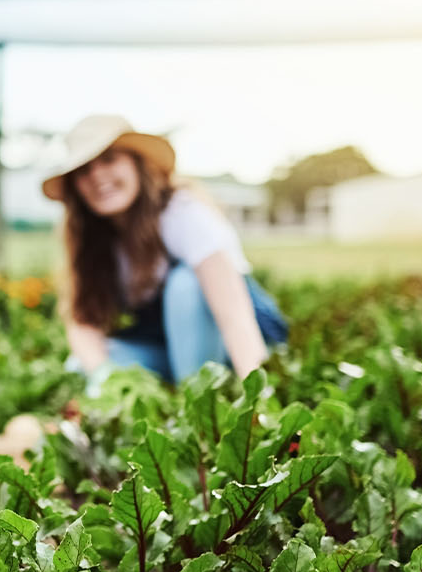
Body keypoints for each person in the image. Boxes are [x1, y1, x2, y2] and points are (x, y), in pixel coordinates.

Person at [43, 115, 287, 392]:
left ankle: (196, 402)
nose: (97, 175)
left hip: (239, 346)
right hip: (173, 348)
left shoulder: (182, 212)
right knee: (82, 364)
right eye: (84, 169)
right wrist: (103, 379)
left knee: (185, 284)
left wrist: (258, 394)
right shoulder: (94, 238)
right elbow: (83, 322)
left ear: (137, 163)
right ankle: (172, 392)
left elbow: (236, 319)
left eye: (109, 159)